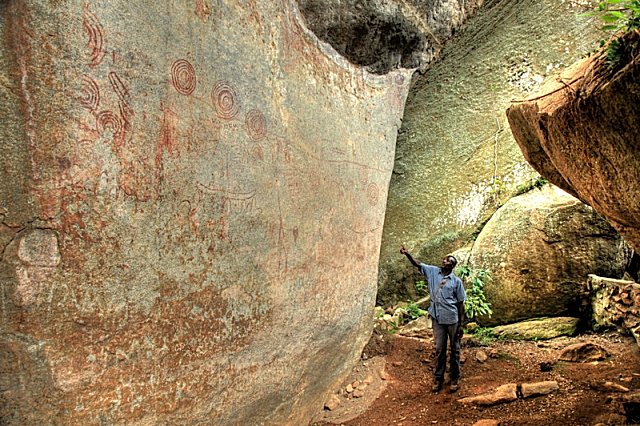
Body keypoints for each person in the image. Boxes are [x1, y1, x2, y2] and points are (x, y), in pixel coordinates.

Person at [400, 245, 466, 393]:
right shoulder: (432, 272)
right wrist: (407, 254)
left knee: (455, 349)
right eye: (444, 258)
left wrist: (461, 325)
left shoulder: (456, 282)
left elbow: (461, 304)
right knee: (439, 349)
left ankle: (455, 378)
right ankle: (438, 378)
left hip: (452, 319)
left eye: (448, 260)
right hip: (437, 318)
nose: (444, 261)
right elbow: (417, 263)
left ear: (453, 266)